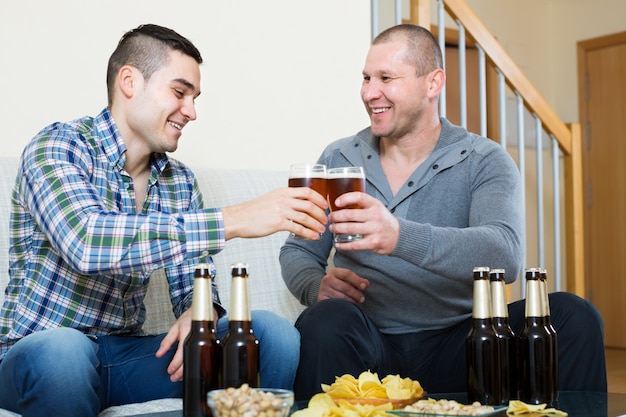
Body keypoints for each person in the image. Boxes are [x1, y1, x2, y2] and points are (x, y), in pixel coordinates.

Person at [0, 24, 328, 416]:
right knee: (62, 351)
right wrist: (234, 218)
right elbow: (86, 241)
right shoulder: (57, 147)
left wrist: (199, 312)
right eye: (179, 92)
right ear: (129, 82)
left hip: (125, 357)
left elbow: (193, 281)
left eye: (194, 97)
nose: (191, 111)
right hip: (38, 353)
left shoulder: (179, 182)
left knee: (272, 335)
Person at [279, 23, 607, 400]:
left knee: (573, 315)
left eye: (386, 78)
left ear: (433, 83)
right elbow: (299, 250)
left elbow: (505, 252)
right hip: (369, 342)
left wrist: (399, 235)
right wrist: (313, 285)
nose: (370, 92)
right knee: (324, 320)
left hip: (464, 342)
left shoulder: (485, 160)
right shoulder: (339, 158)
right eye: (367, 78)